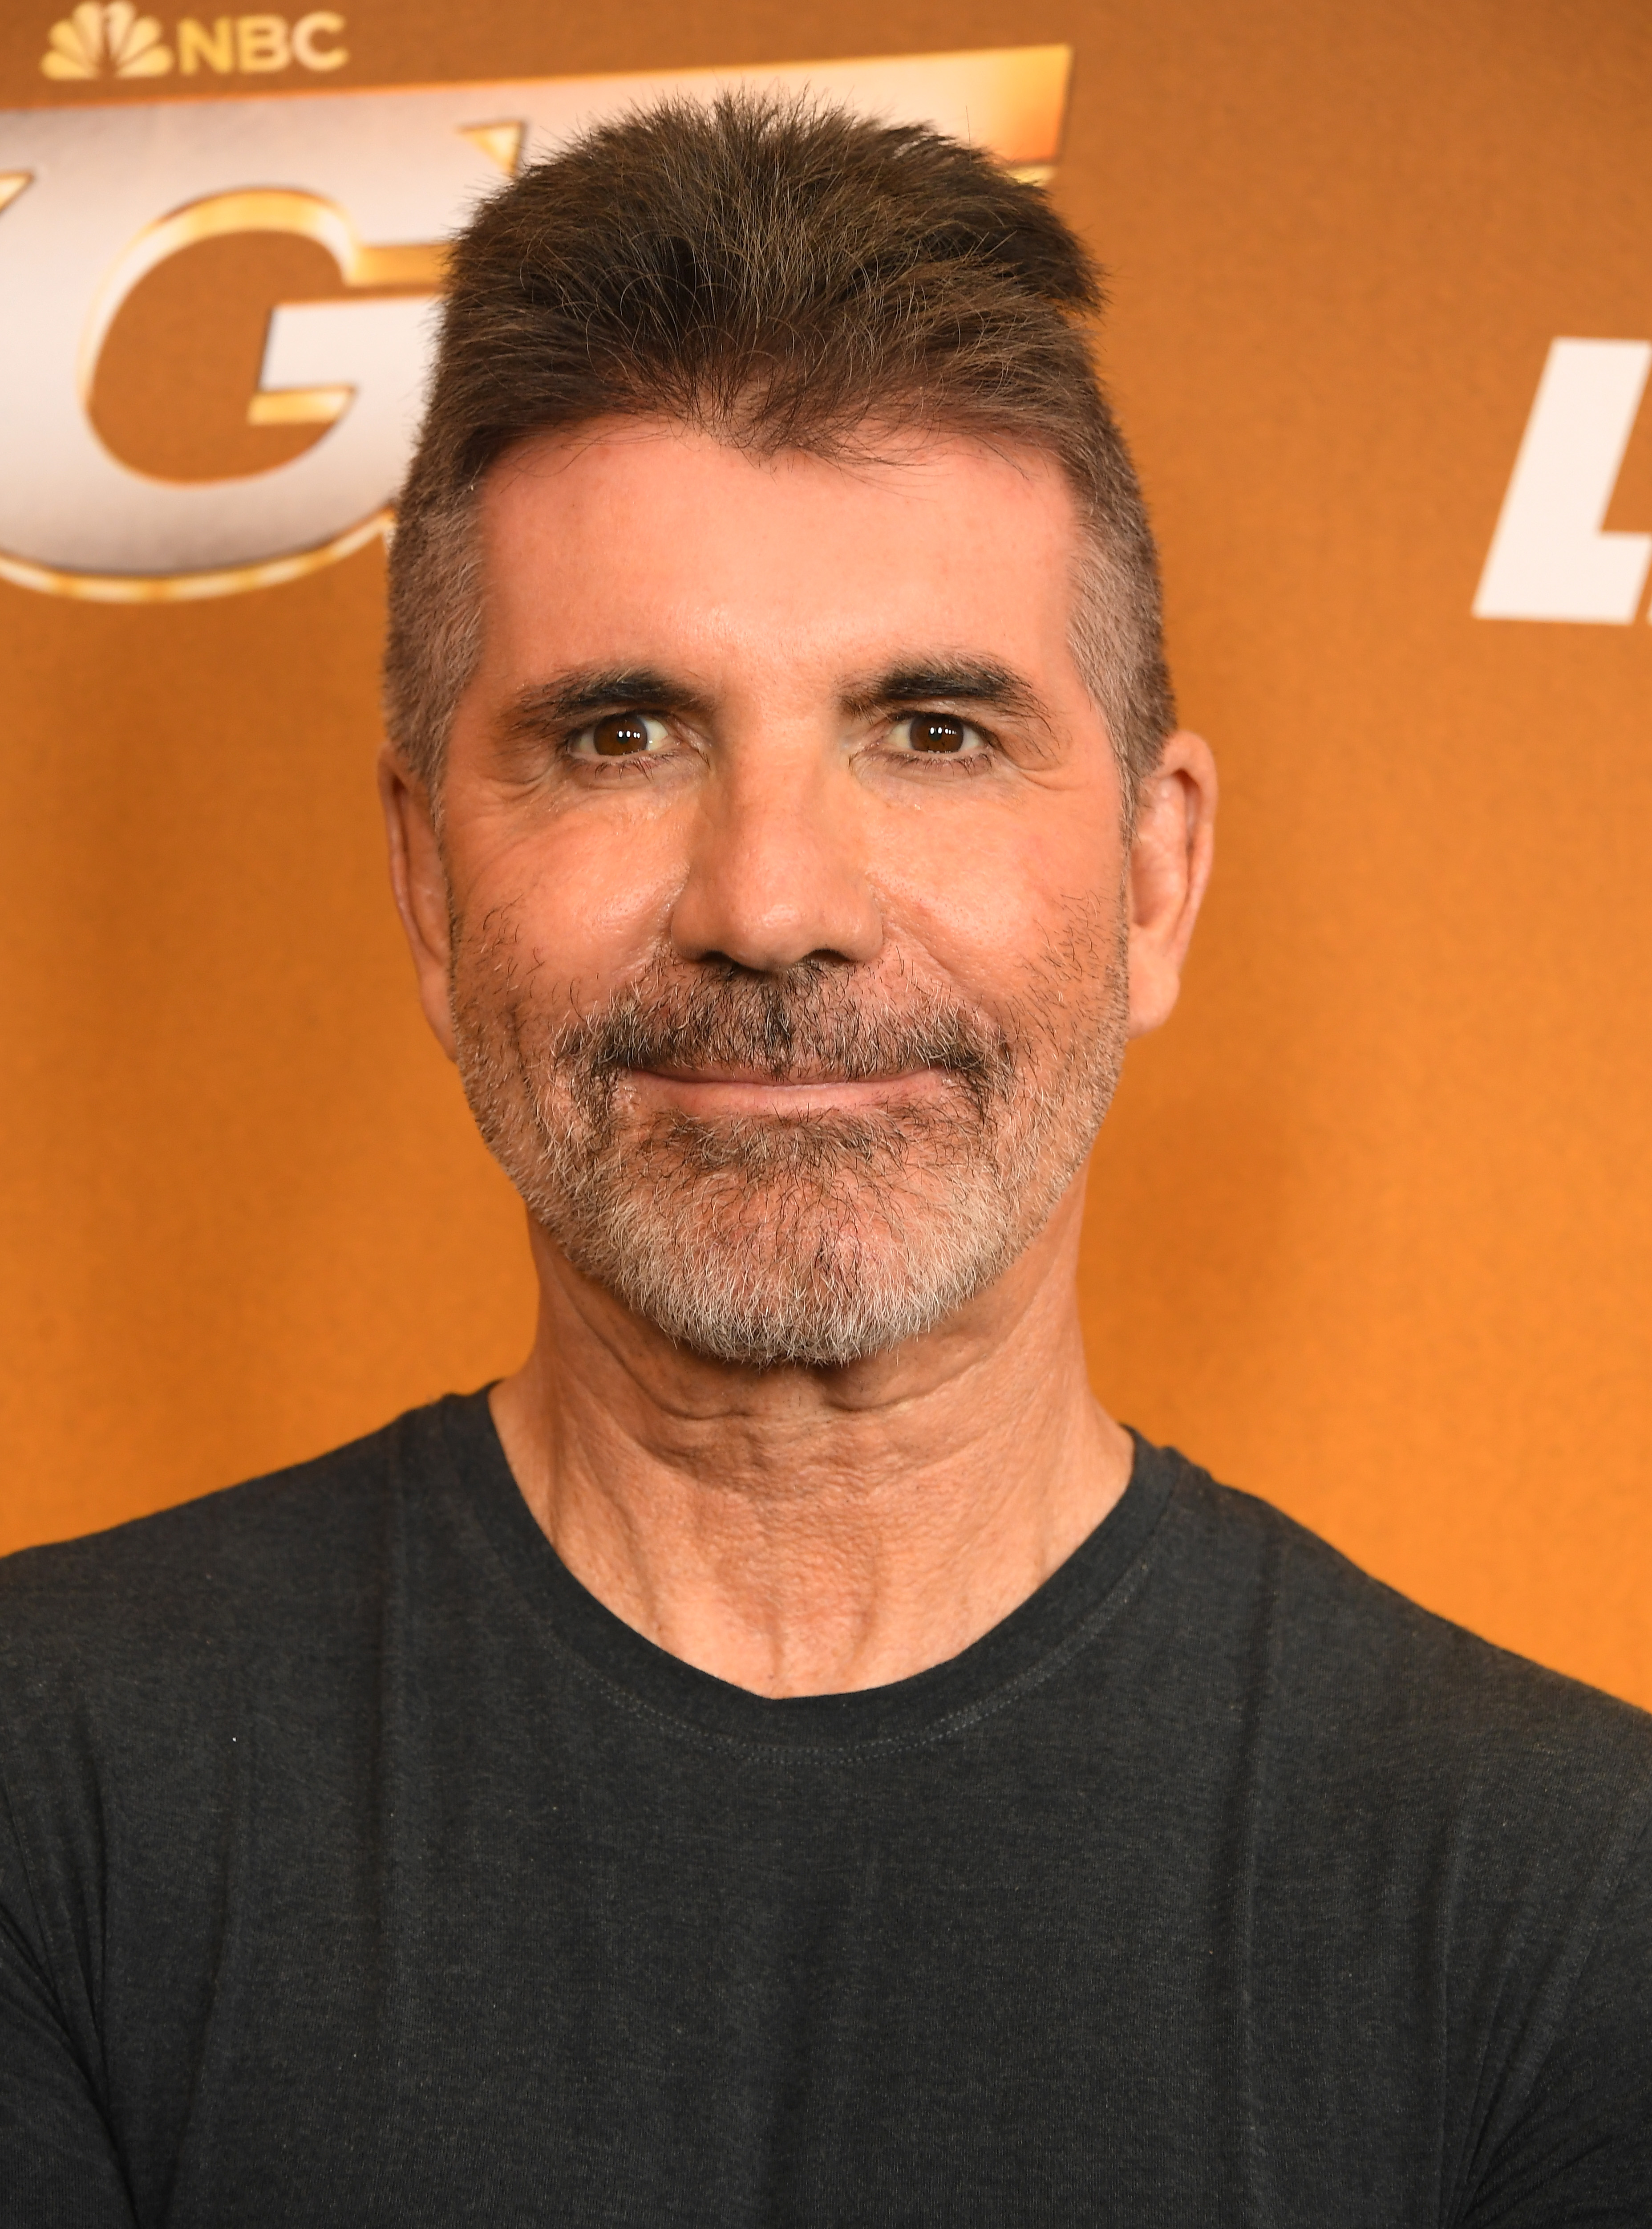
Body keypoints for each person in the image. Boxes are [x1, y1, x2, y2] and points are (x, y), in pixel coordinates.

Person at [2, 93, 1649, 2229]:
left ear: (1157, 876)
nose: (771, 902)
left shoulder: (1565, 1902)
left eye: (933, 732)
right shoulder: (48, 1802)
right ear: (428, 882)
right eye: (622, 735)